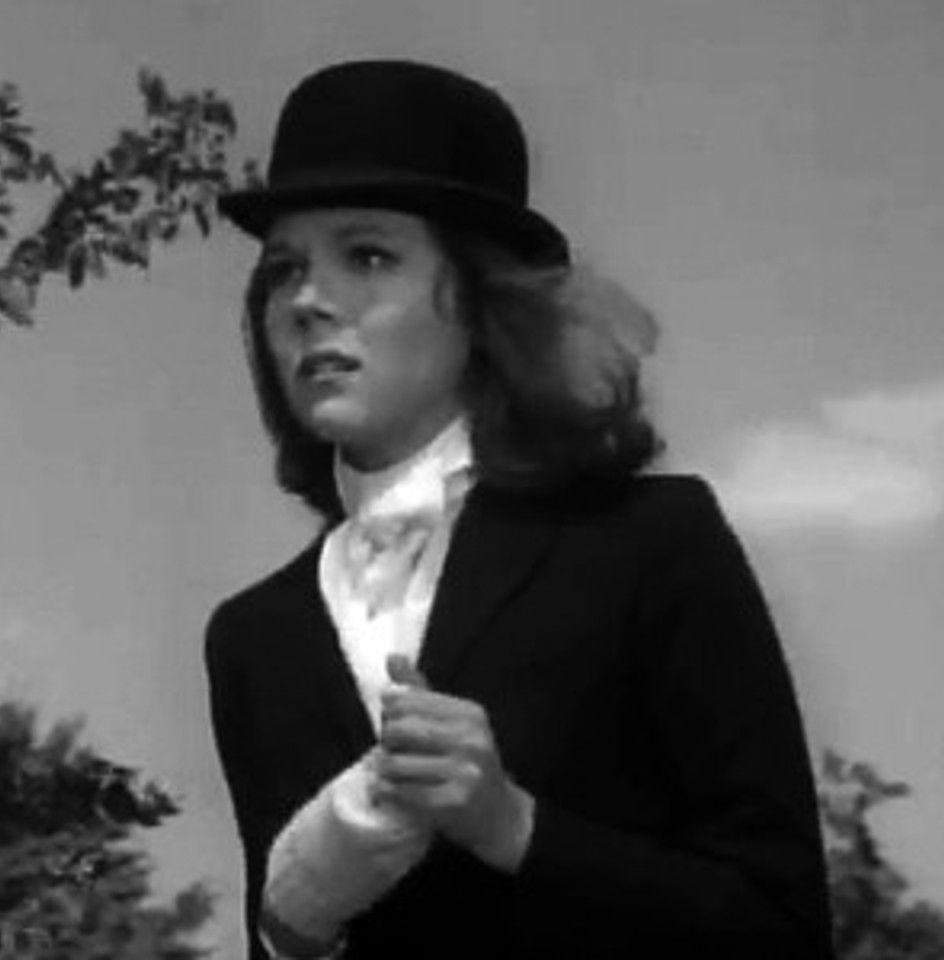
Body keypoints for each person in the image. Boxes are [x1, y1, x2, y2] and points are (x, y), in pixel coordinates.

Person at [204, 59, 834, 959]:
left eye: (367, 255)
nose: (308, 301)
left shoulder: (647, 544)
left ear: (479, 298)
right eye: (283, 269)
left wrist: (516, 828)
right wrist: (292, 919)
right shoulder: (253, 639)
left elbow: (782, 928)